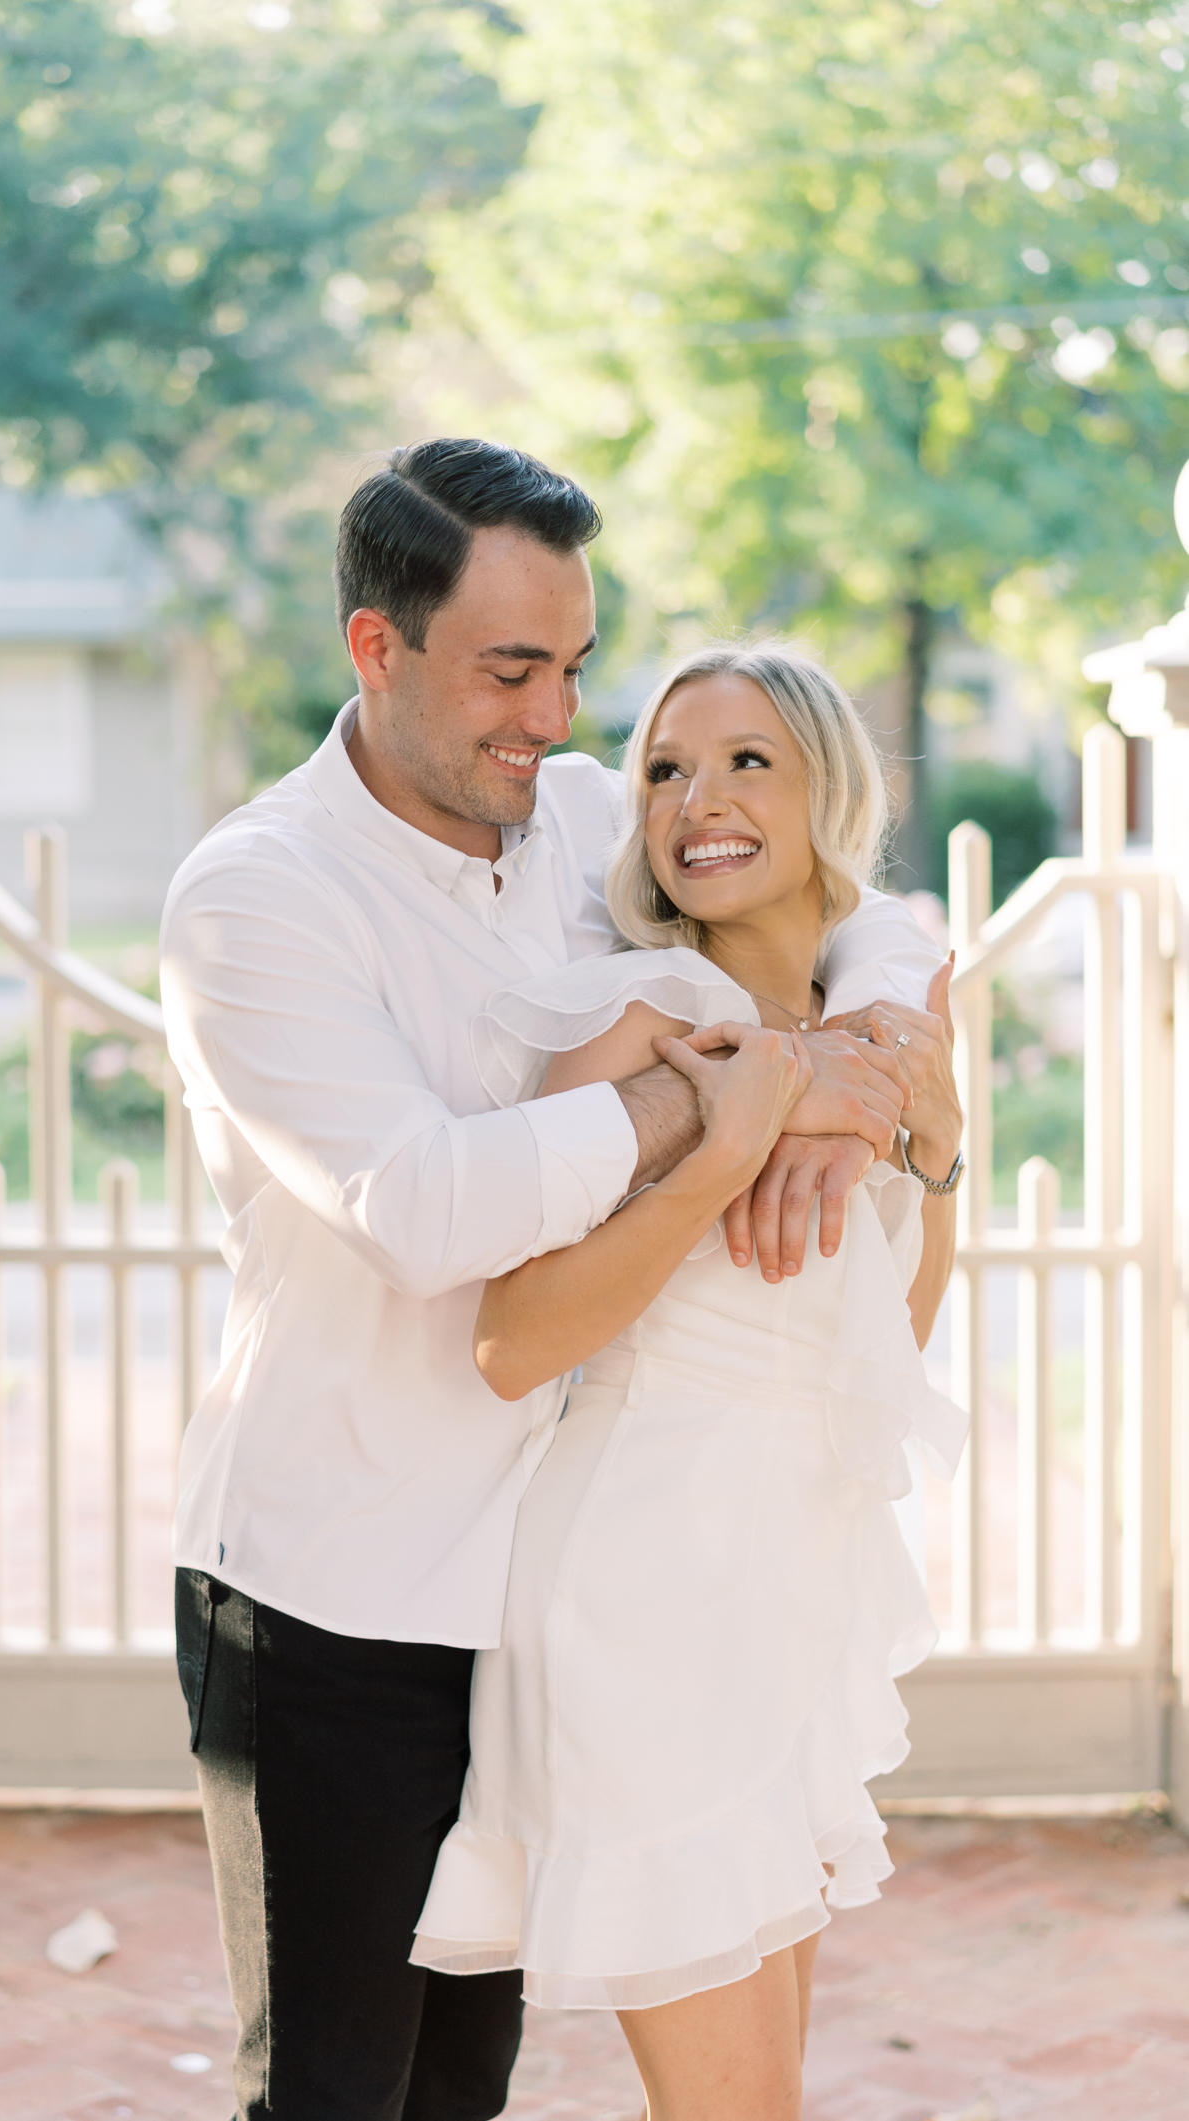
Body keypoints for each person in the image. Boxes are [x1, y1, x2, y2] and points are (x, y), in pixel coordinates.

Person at [158, 439, 944, 2120]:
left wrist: (868, 1034)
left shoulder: (579, 810)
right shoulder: (257, 895)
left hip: (540, 1580)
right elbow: (428, 1207)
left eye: (574, 666)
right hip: (336, 1595)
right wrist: (716, 1100)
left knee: (462, 2090)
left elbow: (838, 885)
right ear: (378, 649)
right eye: (510, 671)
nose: (556, 718)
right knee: (333, 2091)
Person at [410, 639, 966, 2121]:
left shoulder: (880, 1027)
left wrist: (937, 1149)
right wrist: (723, 1141)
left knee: (759, 2090)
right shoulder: (643, 1020)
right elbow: (511, 1338)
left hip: (781, 1584)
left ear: (823, 790)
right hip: (643, 1587)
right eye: (662, 766)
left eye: (743, 762)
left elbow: (883, 1340)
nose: (693, 799)